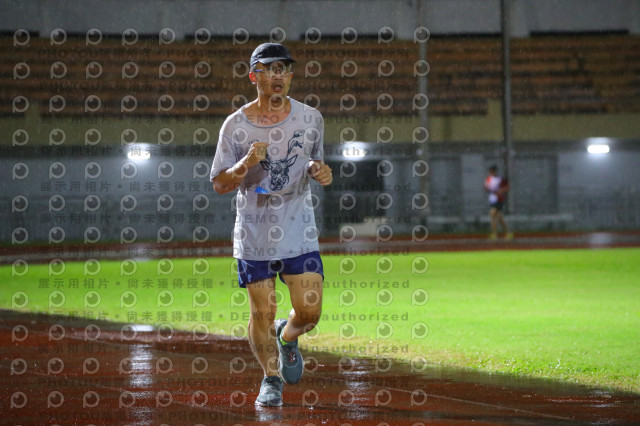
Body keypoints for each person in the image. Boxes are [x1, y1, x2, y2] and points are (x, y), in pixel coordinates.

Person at [210, 43, 332, 407]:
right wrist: (245, 163)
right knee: (262, 311)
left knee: (309, 312)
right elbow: (219, 184)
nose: (277, 75)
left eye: (283, 68)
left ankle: (288, 337)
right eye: (269, 68)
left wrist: (318, 170)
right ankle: (271, 378)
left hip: (298, 227)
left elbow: (313, 162)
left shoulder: (311, 118)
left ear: (291, 75)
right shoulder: (235, 125)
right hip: (255, 232)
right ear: (254, 76)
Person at [484, 165, 513, 240]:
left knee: (492, 213)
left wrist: (501, 191)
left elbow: (507, 187)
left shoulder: (500, 179)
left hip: (499, 199)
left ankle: (494, 234)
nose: (491, 173)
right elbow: (486, 188)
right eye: (490, 171)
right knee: (499, 218)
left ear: (495, 171)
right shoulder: (488, 179)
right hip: (492, 200)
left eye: (492, 171)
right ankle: (507, 232)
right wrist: (487, 188)